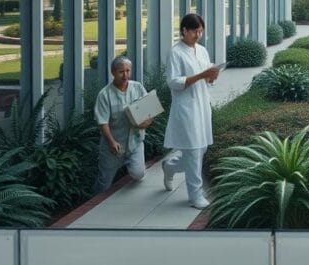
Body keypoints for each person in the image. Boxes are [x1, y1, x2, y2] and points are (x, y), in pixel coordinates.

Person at [162, 13, 222, 209]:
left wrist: (210, 77)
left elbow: (205, 76)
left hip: (202, 105)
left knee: (200, 149)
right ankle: (195, 195)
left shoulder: (202, 51)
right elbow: (173, 81)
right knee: (194, 151)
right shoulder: (176, 53)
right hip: (186, 108)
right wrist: (201, 75)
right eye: (195, 31)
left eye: (201, 31)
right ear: (184, 31)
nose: (198, 35)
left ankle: (170, 166)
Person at [94, 56, 151, 193]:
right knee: (105, 181)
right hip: (114, 144)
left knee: (138, 174)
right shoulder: (105, 95)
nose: (125, 75)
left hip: (135, 141)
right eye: (121, 72)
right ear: (113, 72)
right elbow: (102, 122)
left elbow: (149, 111)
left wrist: (146, 123)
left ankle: (131, 166)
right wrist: (111, 142)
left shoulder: (137, 87)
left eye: (128, 71)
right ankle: (95, 203)